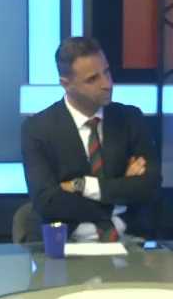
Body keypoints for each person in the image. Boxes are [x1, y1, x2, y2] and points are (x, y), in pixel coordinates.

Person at [21, 37, 161, 242]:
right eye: (93, 79)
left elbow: (150, 186)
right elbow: (47, 202)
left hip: (128, 240)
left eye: (107, 72)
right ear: (66, 84)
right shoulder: (38, 129)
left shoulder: (130, 118)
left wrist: (82, 186)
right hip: (66, 244)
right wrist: (120, 193)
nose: (107, 84)